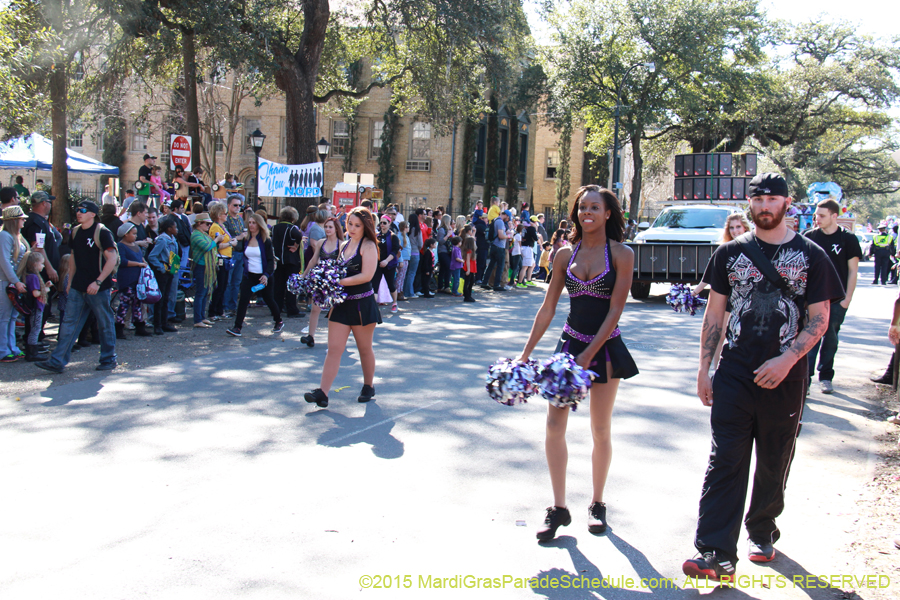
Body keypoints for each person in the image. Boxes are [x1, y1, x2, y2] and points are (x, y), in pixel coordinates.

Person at [684, 173, 843, 581]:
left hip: (785, 376)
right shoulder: (727, 254)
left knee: (774, 459)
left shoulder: (812, 256)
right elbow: (715, 313)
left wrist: (787, 360)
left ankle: (761, 530)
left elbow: (820, 318)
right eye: (758, 199)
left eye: (773, 198)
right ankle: (716, 552)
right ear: (749, 204)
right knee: (725, 459)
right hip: (735, 371)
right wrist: (705, 368)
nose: (765, 205)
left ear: (788, 203)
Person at [515, 185, 638, 542]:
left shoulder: (622, 254)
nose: (587, 212)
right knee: (554, 425)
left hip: (604, 349)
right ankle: (558, 508)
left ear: (608, 213)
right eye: (582, 207)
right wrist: (526, 353)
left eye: (595, 207)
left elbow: (615, 310)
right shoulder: (563, 255)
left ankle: (597, 503)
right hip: (568, 345)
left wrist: (588, 356)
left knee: (600, 429)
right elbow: (548, 307)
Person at [304, 207, 381, 408]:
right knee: (334, 349)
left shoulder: (369, 245)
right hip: (341, 304)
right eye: (350, 224)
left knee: (364, 349)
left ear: (366, 226)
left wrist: (338, 281)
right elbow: (333, 270)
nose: (353, 228)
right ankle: (323, 392)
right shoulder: (344, 245)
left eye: (357, 225)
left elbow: (367, 276)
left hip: (362, 304)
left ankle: (368, 385)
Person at [36, 201, 119, 373]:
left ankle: (109, 359)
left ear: (93, 214)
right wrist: (69, 282)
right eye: (77, 210)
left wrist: (97, 282)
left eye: (82, 210)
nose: (78, 213)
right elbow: (73, 257)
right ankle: (57, 361)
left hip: (98, 288)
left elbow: (112, 258)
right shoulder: (75, 232)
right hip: (78, 287)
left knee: (105, 323)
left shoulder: (102, 232)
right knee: (68, 324)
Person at [803, 199, 861, 394]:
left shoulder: (848, 239)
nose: (817, 219)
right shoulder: (809, 237)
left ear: (834, 216)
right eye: (816, 215)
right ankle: (806, 380)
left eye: (822, 216)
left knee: (831, 338)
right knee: (810, 338)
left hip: (837, 299)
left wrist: (847, 299)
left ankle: (826, 376)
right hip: (813, 298)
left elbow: (853, 271)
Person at [226, 214, 284, 337]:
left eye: (254, 223)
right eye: (250, 222)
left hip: (263, 276)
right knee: (243, 300)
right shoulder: (246, 239)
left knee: (269, 299)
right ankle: (237, 327)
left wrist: (266, 275)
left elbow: (270, 260)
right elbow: (241, 251)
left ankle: (278, 321)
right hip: (249, 275)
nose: (251, 225)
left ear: (259, 225)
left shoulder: (265, 240)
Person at [22, 191, 60, 341]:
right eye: (49, 202)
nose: (50, 205)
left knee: (45, 305)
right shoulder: (35, 222)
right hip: (39, 271)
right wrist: (49, 268)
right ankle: (32, 339)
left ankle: (38, 336)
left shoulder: (41, 221)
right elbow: (38, 247)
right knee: (39, 306)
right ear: (44, 203)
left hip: (43, 269)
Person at [300, 217, 343, 348]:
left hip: (334, 281)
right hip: (320, 279)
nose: (328, 229)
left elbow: (343, 263)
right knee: (315, 308)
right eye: (326, 227)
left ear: (336, 228)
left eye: (330, 227)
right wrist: (304, 275)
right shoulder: (320, 242)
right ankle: (310, 336)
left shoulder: (342, 244)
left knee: (334, 311)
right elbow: (313, 260)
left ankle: (336, 339)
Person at [114, 222, 153, 339]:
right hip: (126, 280)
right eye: (133, 234)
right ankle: (119, 327)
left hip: (138, 280)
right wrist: (138, 264)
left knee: (138, 303)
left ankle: (139, 326)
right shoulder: (121, 246)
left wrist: (143, 262)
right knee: (124, 304)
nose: (136, 236)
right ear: (125, 234)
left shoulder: (135, 246)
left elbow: (140, 257)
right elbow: (122, 262)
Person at [0, 206, 28, 362]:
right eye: (22, 218)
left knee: (11, 317)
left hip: (11, 281)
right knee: (4, 318)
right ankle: (3, 350)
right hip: (5, 281)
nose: (24, 221)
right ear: (14, 220)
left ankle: (11, 347)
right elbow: (4, 261)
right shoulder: (4, 236)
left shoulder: (14, 236)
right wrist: (16, 282)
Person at [147, 216, 179, 335]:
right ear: (169, 228)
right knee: (159, 299)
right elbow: (152, 256)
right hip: (163, 272)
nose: (177, 229)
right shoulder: (162, 240)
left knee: (166, 297)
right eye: (175, 227)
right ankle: (157, 324)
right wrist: (161, 268)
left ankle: (164, 323)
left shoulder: (172, 239)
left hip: (170, 270)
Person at [272, 206, 305, 319]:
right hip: (290, 260)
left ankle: (277, 308)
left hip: (278, 260)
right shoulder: (291, 228)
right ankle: (292, 309)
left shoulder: (274, 228)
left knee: (278, 286)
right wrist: (296, 245)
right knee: (291, 286)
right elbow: (299, 235)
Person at [207, 201, 237, 321]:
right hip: (220, 259)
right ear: (219, 215)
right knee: (219, 286)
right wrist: (230, 243)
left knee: (223, 286)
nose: (226, 215)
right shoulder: (215, 227)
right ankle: (213, 311)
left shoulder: (221, 226)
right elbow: (217, 245)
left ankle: (219, 310)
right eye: (225, 213)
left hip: (226, 258)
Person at [190, 213, 218, 328]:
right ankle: (197, 320)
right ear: (199, 223)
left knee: (205, 292)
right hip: (200, 266)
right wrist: (217, 240)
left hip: (207, 266)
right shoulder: (196, 235)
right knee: (200, 293)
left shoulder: (203, 234)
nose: (209, 226)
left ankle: (202, 317)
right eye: (207, 224)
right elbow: (207, 247)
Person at [222, 195, 247, 316]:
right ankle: (225, 306)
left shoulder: (240, 219)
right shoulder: (225, 220)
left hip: (240, 253)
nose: (238, 207)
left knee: (236, 282)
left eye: (239, 205)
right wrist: (239, 237)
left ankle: (232, 306)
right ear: (228, 206)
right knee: (227, 281)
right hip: (229, 253)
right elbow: (224, 239)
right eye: (235, 205)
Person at [376, 215, 401, 313]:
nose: (382, 225)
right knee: (375, 285)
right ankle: (373, 306)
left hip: (389, 264)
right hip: (378, 264)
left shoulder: (393, 236)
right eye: (381, 223)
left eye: (384, 223)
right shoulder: (377, 236)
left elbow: (395, 250)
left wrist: (386, 261)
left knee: (391, 284)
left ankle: (394, 302)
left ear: (389, 223)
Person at [481, 210, 510, 292]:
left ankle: (484, 282)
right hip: (499, 247)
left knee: (491, 265)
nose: (508, 219)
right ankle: (496, 285)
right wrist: (508, 236)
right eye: (508, 217)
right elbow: (500, 235)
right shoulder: (500, 222)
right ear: (505, 215)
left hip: (494, 245)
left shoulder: (495, 220)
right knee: (500, 266)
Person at [403, 213, 423, 298]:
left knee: (406, 273)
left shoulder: (408, 230)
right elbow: (420, 243)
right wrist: (418, 248)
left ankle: (404, 291)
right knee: (412, 273)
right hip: (415, 252)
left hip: (408, 253)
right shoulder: (417, 230)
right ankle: (410, 292)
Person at [395, 221, 411, 302]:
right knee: (399, 277)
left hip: (406, 259)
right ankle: (397, 293)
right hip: (402, 259)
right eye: (408, 227)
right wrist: (400, 260)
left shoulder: (405, 236)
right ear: (404, 228)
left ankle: (401, 291)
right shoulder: (399, 236)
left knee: (402, 277)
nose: (409, 228)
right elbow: (399, 249)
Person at [461, 235, 477, 302]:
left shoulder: (471, 250)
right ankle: (467, 296)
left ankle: (469, 295)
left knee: (471, 282)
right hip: (469, 268)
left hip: (471, 268)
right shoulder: (469, 251)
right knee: (468, 282)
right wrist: (468, 270)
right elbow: (467, 261)